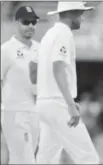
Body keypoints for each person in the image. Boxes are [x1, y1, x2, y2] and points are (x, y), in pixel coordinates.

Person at [36, 2, 99, 164]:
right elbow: (58, 68)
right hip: (57, 104)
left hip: (45, 101)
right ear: (72, 13)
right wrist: (70, 105)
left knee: (47, 157)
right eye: (80, 14)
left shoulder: (49, 34)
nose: (82, 19)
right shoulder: (64, 34)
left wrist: (69, 100)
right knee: (88, 157)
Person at [1, 6, 40, 164]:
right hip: (14, 112)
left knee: (19, 160)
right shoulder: (5, 50)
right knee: (26, 160)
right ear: (16, 23)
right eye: (26, 22)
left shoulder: (40, 48)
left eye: (33, 22)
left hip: (35, 112)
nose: (30, 26)